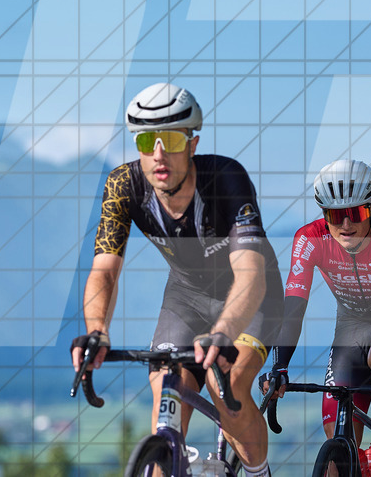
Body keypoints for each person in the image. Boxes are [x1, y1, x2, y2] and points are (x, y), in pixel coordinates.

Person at [70, 82, 284, 477]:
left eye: (169, 138)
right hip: (186, 296)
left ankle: (258, 473)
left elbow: (251, 273)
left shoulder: (226, 178)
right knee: (166, 392)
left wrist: (224, 331)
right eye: (147, 139)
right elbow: (104, 271)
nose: (158, 154)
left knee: (228, 385)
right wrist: (96, 330)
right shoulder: (124, 185)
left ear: (192, 142)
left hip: (253, 298)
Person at [262, 159, 371, 477]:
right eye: (334, 215)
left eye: (355, 213)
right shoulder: (309, 240)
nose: (345, 225)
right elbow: (293, 310)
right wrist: (279, 366)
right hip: (352, 328)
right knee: (336, 461)